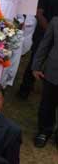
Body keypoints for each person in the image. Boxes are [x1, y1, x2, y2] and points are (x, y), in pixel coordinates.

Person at [31, 12, 58, 149]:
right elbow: (45, 45)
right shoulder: (55, 20)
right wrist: (36, 66)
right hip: (53, 72)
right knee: (47, 104)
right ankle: (44, 131)